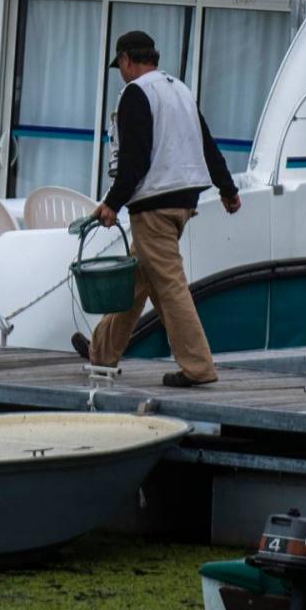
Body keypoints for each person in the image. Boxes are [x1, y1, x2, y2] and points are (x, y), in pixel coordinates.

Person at [71, 30, 241, 387]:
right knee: (138, 278)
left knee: (170, 286)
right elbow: (207, 144)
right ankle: (101, 352)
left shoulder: (136, 93)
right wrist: (228, 189)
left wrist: (112, 204)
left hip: (154, 205)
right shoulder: (179, 90)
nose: (121, 72)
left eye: (121, 65)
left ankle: (198, 367)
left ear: (129, 60)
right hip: (184, 200)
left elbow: (135, 159)